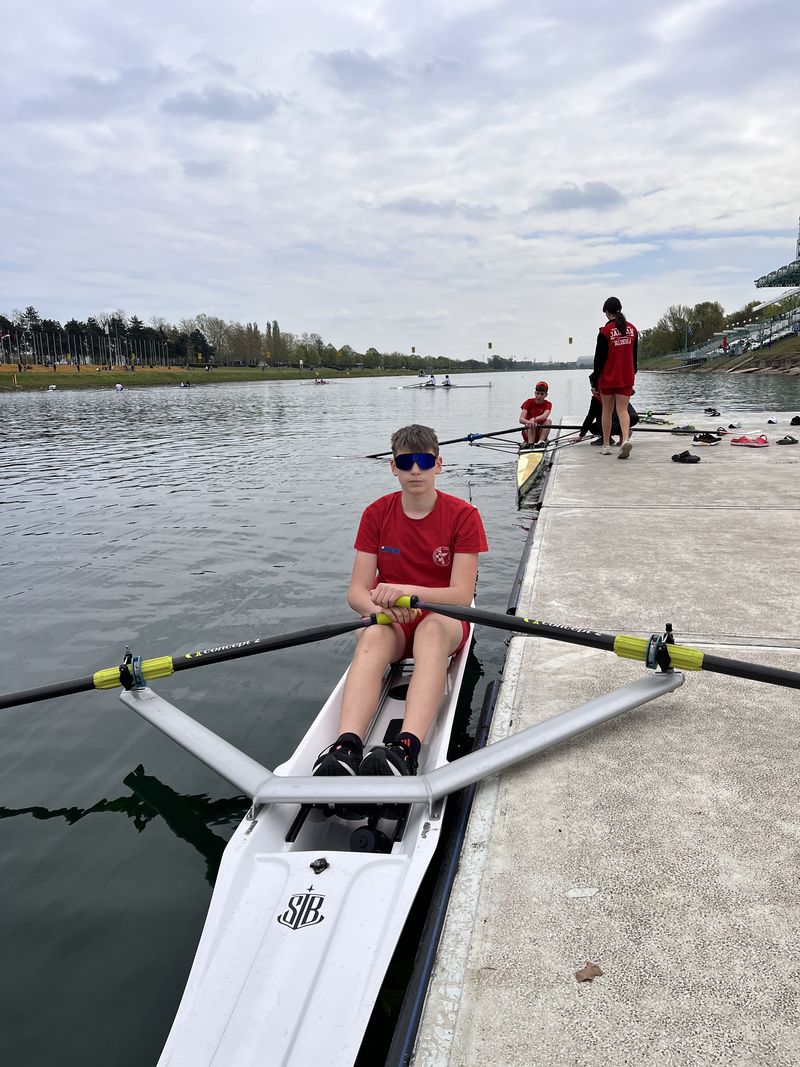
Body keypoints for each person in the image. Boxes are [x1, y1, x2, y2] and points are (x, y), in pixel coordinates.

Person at [313, 424, 488, 778]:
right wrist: (380, 610)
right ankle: (346, 748)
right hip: (390, 619)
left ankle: (406, 750)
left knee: (431, 634)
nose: (415, 471)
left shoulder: (463, 516)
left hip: (442, 617)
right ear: (393, 467)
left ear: (439, 464)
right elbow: (357, 592)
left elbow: (461, 595)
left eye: (424, 461)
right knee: (373, 635)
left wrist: (410, 594)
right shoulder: (376, 514)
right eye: (406, 463)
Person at [593, 296, 638, 458]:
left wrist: (594, 380)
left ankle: (606, 445)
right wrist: (632, 373)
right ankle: (625, 440)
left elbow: (599, 360)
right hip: (626, 376)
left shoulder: (605, 332)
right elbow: (634, 357)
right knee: (622, 410)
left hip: (607, 377)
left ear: (606, 312)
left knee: (607, 410)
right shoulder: (633, 329)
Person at [576, 375, 639, 445]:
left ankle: (611, 437)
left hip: (619, 421)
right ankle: (623, 434)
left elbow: (590, 417)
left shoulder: (599, 396)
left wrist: (581, 436)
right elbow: (631, 391)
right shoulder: (619, 389)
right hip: (632, 418)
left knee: (594, 425)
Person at [519, 381, 552, 447]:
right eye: (537, 393)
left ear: (546, 395)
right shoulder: (528, 402)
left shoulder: (548, 404)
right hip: (528, 432)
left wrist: (534, 419)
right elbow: (521, 419)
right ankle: (531, 444)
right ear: (535, 393)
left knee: (548, 421)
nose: (539, 396)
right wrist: (529, 422)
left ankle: (541, 442)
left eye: (542, 394)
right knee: (532, 425)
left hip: (540, 432)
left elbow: (544, 416)